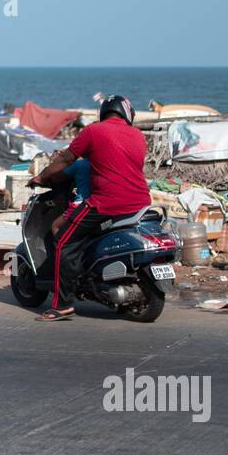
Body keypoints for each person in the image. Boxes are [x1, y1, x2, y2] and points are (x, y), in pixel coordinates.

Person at [28, 95, 150, 321]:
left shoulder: (94, 132)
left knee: (63, 240)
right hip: (141, 202)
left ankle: (61, 305)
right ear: (128, 114)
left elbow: (65, 159)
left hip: (105, 203)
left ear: (104, 113)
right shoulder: (139, 136)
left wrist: (42, 176)